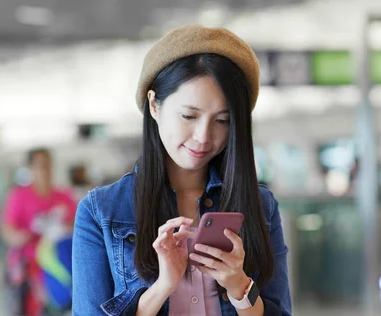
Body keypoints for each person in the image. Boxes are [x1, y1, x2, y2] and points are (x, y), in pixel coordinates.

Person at [72, 25, 292, 316]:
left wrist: (238, 286)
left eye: (222, 120)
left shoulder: (261, 207)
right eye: (189, 115)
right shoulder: (102, 211)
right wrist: (163, 285)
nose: (203, 136)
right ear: (154, 105)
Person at [0, 148, 77, 315]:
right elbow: (8, 231)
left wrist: (61, 230)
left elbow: (78, 228)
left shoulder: (64, 196)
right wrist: (25, 236)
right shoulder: (19, 196)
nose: (45, 170)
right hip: (30, 265)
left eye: (48, 165)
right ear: (31, 168)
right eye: (40, 166)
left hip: (59, 265)